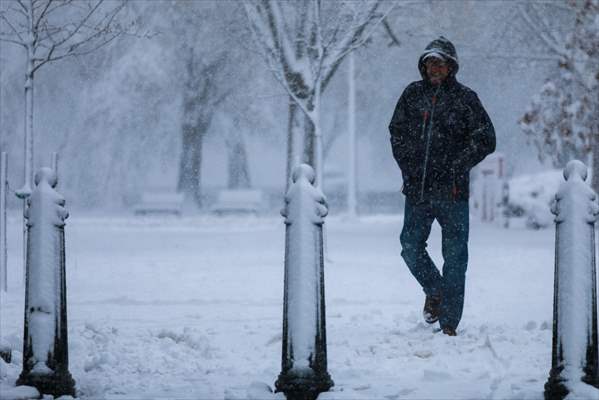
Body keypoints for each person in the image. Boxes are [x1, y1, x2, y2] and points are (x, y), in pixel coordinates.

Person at [388, 37, 496, 336]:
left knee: (456, 256)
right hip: (418, 191)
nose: (434, 68)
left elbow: (486, 138)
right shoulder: (412, 95)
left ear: (451, 66)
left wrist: (456, 165)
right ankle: (436, 291)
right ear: (423, 67)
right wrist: (409, 166)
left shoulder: (466, 99)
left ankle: (449, 323)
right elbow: (396, 132)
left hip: (453, 193)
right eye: (429, 63)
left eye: (440, 62)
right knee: (410, 247)